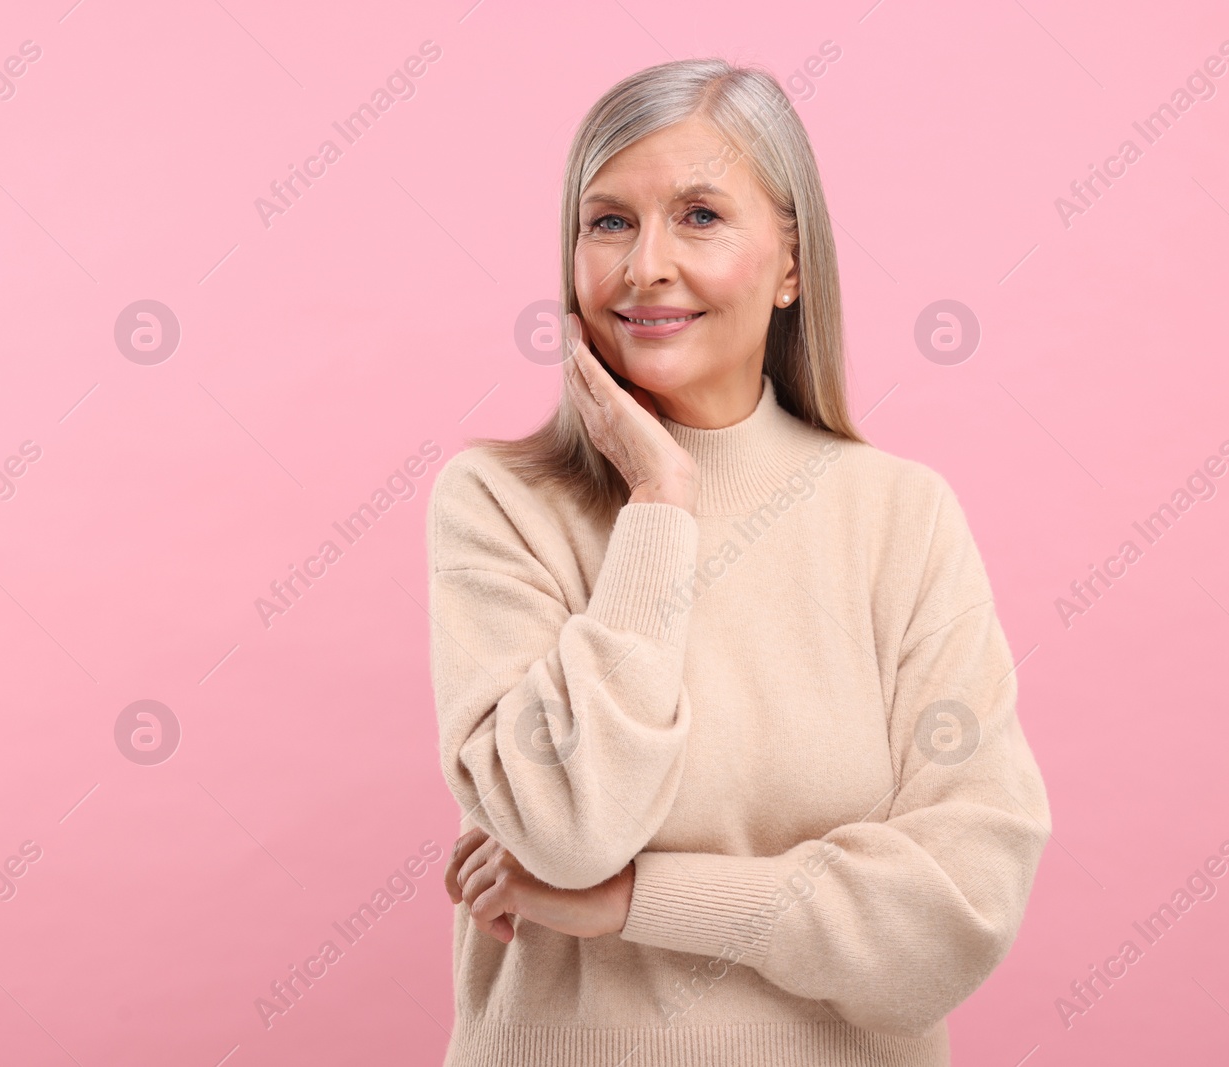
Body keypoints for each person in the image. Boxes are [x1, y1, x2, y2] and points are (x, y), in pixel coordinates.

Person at [426, 55, 1052, 1067]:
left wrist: (637, 898)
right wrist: (660, 503)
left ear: (792, 263)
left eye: (701, 216)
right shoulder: (500, 503)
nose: (644, 266)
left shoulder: (900, 517)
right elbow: (569, 825)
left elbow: (956, 911)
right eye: (609, 221)